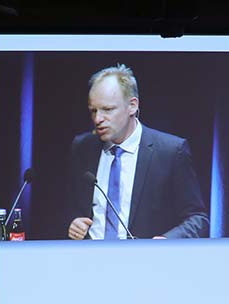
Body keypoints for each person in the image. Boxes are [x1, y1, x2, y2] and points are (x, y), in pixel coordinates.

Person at [67, 63, 209, 240]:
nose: (98, 119)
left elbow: (198, 219)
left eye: (107, 109)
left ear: (132, 106)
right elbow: (71, 206)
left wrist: (167, 241)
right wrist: (73, 223)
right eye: (93, 111)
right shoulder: (83, 147)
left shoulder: (171, 152)